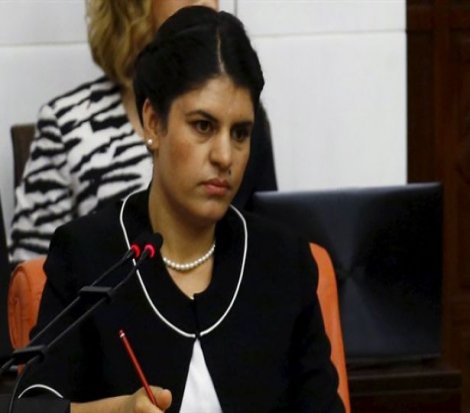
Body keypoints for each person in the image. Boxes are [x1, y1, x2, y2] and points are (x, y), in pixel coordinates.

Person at [18, 7, 344, 413]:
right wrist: (115, 411)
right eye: (203, 126)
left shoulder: (283, 262)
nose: (225, 156)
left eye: (240, 133)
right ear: (153, 123)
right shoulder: (89, 256)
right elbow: (32, 404)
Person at [8, 0, 277, 264]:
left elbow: (265, 248)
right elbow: (33, 276)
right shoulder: (68, 126)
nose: (206, 2)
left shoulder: (241, 118)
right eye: (203, 126)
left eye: (239, 133)